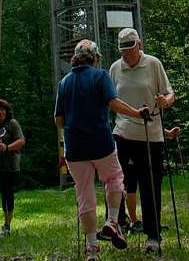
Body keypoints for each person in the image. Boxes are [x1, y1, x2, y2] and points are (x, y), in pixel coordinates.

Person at [54, 38, 150, 260]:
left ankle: (92, 249)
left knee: (84, 193)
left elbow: (58, 120)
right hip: (100, 143)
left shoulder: (64, 82)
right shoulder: (100, 75)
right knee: (115, 178)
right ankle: (113, 220)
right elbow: (114, 103)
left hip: (75, 148)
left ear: (75, 58)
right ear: (95, 57)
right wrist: (138, 113)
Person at [109, 28, 175, 254]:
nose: (126, 54)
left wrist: (163, 102)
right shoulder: (115, 68)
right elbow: (111, 100)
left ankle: (153, 235)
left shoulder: (153, 64)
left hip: (150, 133)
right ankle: (118, 223)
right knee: (115, 180)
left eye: (130, 49)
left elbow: (169, 94)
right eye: (122, 50)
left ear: (139, 45)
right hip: (122, 130)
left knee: (150, 185)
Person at [0, 98, 25, 236]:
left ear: (7, 111)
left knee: (7, 194)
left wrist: (7, 147)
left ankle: (7, 225)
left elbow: (21, 141)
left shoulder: (12, 123)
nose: (1, 112)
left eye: (3, 110)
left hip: (10, 165)